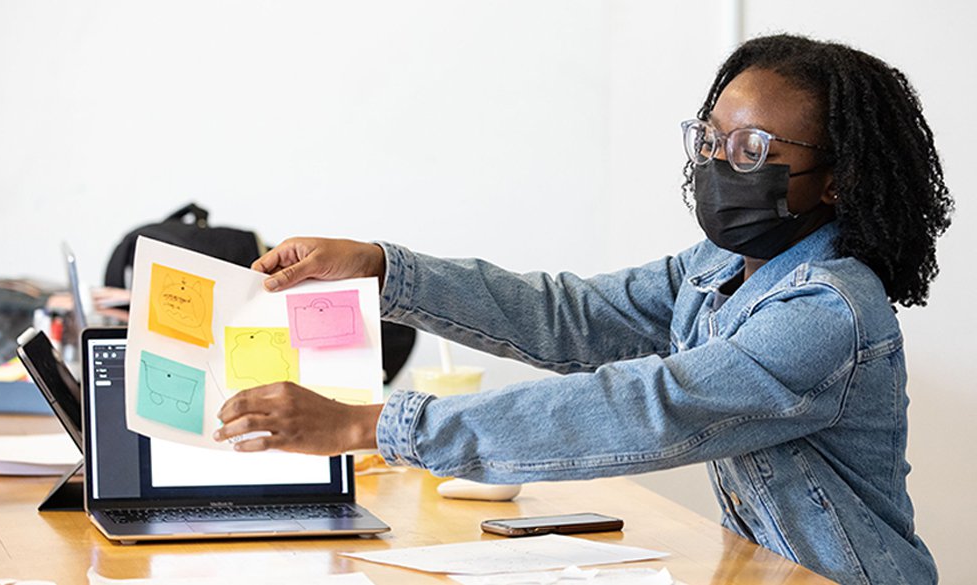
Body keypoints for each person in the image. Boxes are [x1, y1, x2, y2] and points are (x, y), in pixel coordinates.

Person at [214, 35, 952, 584]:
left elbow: (646, 409)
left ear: (835, 179)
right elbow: (572, 314)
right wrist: (385, 268)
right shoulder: (718, 268)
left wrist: (368, 424)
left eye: (754, 148)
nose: (720, 163)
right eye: (711, 138)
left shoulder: (829, 311)